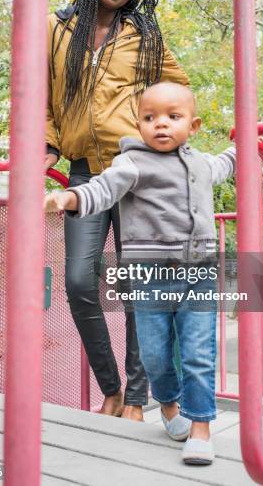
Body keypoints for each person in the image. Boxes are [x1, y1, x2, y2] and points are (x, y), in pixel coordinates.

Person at [44, 82, 236, 464]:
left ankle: (201, 427)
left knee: (199, 352)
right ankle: (167, 404)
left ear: (193, 125)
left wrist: (246, 146)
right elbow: (101, 189)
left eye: (172, 117)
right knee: (154, 356)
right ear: (139, 124)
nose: (160, 125)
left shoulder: (199, 163)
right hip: (150, 277)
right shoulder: (131, 163)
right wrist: (71, 197)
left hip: (198, 273)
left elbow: (226, 165)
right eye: (150, 118)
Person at [45, 0, 189, 421]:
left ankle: (135, 397)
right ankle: (110, 385)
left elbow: (177, 90)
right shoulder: (58, 27)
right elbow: (44, 93)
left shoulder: (144, 36)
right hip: (84, 172)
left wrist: (163, 141)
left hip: (137, 174)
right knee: (80, 281)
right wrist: (47, 143)